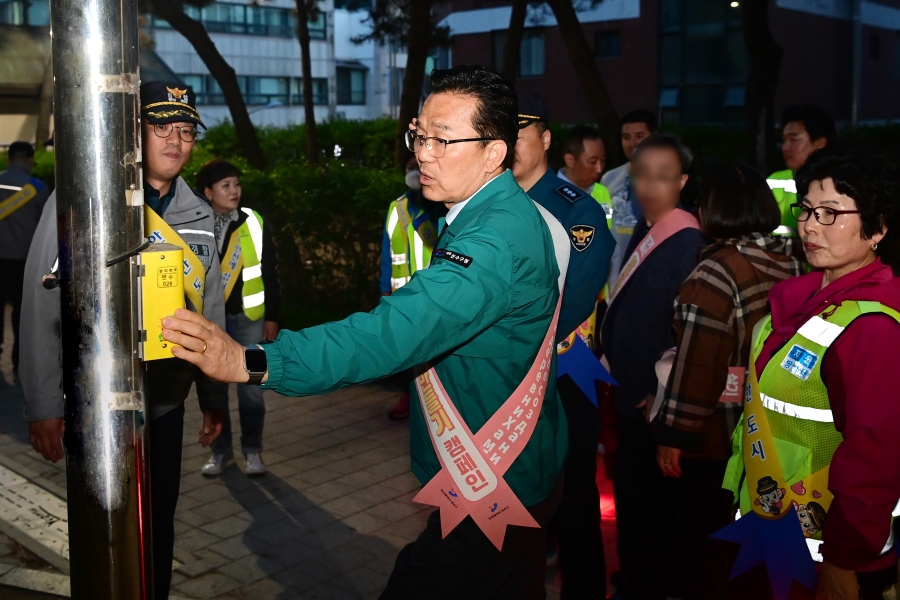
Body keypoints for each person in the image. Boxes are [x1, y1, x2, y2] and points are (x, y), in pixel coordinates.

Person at [161, 65, 570, 599]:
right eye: (419, 135)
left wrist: (251, 361)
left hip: (494, 485)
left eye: (442, 140)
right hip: (512, 468)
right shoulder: (490, 212)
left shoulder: (493, 241)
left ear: (494, 152)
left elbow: (390, 334)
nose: (423, 152)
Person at [20, 81, 228, 600]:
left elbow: (212, 313)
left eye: (186, 131)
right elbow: (41, 301)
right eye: (162, 127)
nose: (177, 142)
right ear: (132, 133)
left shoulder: (203, 216)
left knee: (158, 523)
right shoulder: (87, 197)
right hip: (98, 405)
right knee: (103, 528)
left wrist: (212, 397)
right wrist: (44, 402)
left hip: (163, 404)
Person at [722, 149, 900, 600]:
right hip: (771, 527)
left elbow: (875, 461)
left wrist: (842, 562)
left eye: (830, 213)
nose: (809, 226)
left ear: (877, 229)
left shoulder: (873, 327)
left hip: (828, 554)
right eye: (805, 210)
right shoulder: (793, 299)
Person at [654, 164, 803, 599]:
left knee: (709, 554)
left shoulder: (715, 275)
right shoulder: (798, 259)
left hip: (721, 439)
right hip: (782, 434)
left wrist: (674, 434)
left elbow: (699, 366)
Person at [513, 92, 615, 599]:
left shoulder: (578, 211)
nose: (508, 144)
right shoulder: (492, 202)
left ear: (546, 139)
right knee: (516, 498)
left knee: (574, 499)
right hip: (510, 374)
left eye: (521, 132)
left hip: (564, 369)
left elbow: (572, 300)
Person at [598, 133, 708, 600]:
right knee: (635, 494)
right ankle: (638, 575)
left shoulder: (684, 240)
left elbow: (681, 330)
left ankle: (646, 582)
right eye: (641, 176)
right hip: (631, 389)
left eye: (663, 177)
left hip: (650, 397)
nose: (650, 186)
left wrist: (659, 391)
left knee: (647, 502)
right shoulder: (649, 226)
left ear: (682, 180)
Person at [195, 159, 281, 477]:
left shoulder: (252, 221)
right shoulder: (195, 224)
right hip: (211, 323)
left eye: (237, 184)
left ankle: (253, 451)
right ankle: (221, 452)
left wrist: (273, 316)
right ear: (208, 192)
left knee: (253, 389)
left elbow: (269, 272)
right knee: (214, 389)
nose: (234, 191)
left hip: (250, 320)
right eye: (225, 185)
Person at [381, 155, 445, 421]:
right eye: (408, 169)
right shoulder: (396, 207)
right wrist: (385, 290)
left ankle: (434, 406)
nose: (413, 173)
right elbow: (387, 252)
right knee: (406, 353)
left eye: (416, 169)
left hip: (431, 296)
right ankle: (408, 397)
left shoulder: (438, 207)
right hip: (401, 296)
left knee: (433, 353)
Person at [0, 141, 50, 371]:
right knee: (22, 315)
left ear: (9, 159)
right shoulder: (38, 188)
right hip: (25, 262)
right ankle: (20, 361)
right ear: (30, 160)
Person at [600, 110, 657, 281]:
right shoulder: (609, 178)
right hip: (615, 276)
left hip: (649, 273)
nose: (633, 143)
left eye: (640, 136)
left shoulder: (665, 180)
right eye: (626, 137)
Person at [768, 105, 835, 236]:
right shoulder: (774, 181)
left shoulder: (839, 184)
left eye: (794, 139)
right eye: (783, 140)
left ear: (820, 143)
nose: (785, 148)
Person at [558, 125, 612, 225]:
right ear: (570, 160)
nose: (599, 169)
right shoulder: (550, 193)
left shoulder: (602, 192)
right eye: (593, 162)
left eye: (603, 161)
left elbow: (607, 229)